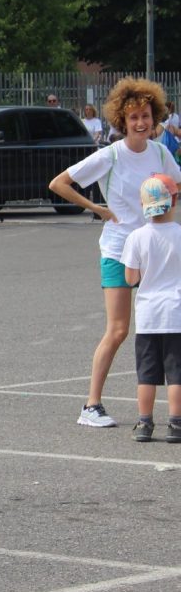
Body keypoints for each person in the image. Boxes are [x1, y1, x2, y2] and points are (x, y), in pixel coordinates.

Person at [49, 77, 181, 428]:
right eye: (134, 117)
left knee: (171, 325)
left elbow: (176, 183)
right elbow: (59, 183)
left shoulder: (161, 153)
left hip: (154, 249)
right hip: (119, 249)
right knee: (119, 329)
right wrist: (97, 208)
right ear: (122, 120)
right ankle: (91, 406)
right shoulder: (110, 154)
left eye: (146, 116)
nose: (140, 122)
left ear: (155, 118)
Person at [121, 174, 181, 443]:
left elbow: (130, 278)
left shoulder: (136, 237)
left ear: (143, 204)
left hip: (148, 315)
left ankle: (144, 422)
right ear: (173, 201)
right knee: (176, 373)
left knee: (146, 374)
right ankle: (176, 423)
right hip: (176, 312)